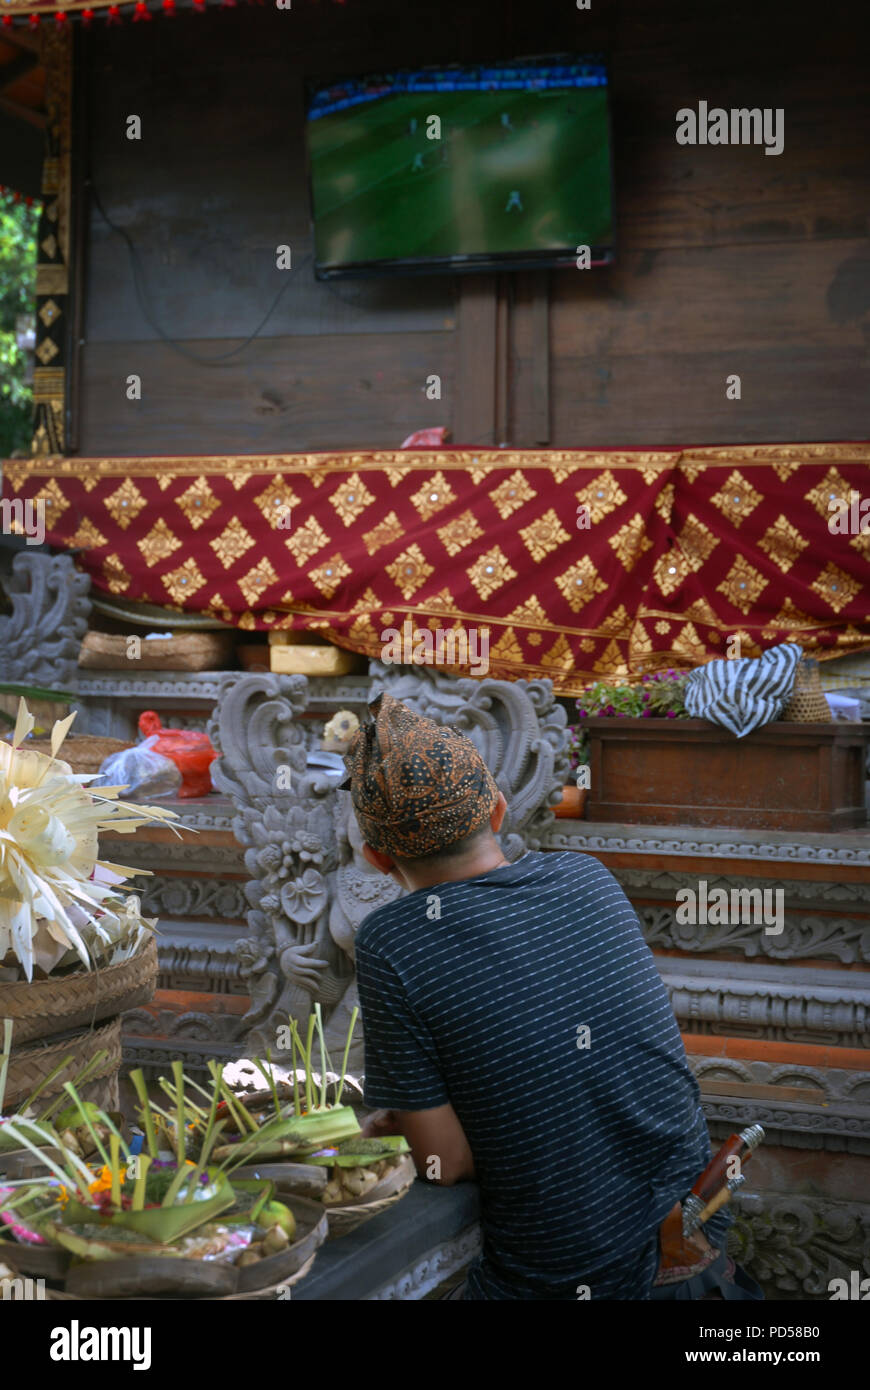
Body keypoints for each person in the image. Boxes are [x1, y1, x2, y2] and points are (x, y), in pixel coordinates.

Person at [341, 692, 742, 1300]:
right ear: (499, 811)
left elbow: (441, 1164)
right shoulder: (588, 876)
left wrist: (405, 1124)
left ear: (376, 858)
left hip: (565, 1273)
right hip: (699, 1227)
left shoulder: (392, 941)